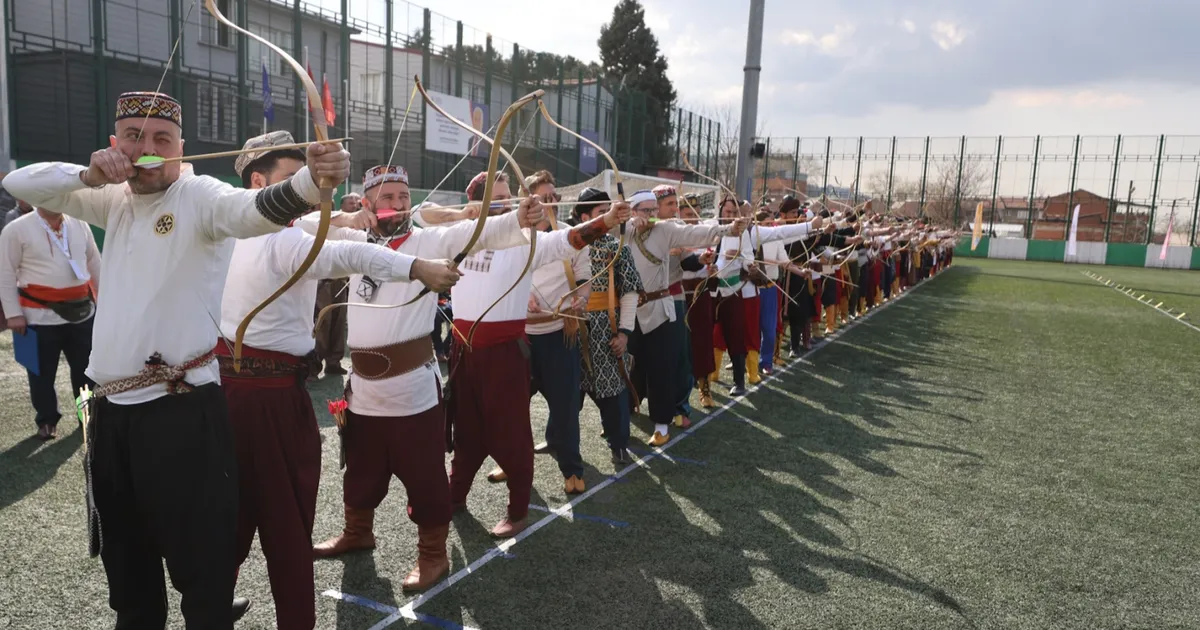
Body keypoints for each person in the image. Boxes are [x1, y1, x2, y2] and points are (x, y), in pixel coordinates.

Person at [1, 91, 350, 629]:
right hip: (112, 416)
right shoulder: (109, 198)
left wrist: (311, 183)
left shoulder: (199, 195)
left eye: (161, 139)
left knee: (203, 576)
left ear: (180, 148)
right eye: (133, 138)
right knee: (129, 572)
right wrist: (90, 174)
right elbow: (18, 183)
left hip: (182, 410)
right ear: (116, 145)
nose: (147, 149)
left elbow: (254, 209)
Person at [219, 132, 460, 627]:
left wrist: (354, 220)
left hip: (239, 394)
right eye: (295, 181)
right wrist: (415, 266)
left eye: (401, 196)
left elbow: (450, 225)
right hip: (275, 400)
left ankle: (212, 602)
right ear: (260, 183)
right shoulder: (285, 237)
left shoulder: (228, 227)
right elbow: (350, 255)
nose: (308, 191)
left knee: (231, 508)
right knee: (285, 522)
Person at [310, 165, 549, 590]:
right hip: (363, 388)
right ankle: (358, 531)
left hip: (411, 388)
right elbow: (305, 228)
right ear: (367, 204)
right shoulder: (352, 241)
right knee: (360, 469)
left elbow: (482, 232)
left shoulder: (427, 240)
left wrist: (519, 217)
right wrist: (345, 218)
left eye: (403, 196)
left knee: (425, 475)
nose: (399, 204)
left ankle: (433, 556)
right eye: (387, 198)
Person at [428, 170, 630, 538]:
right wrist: (467, 216)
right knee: (467, 429)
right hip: (463, 352)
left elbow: (568, 240)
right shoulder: (458, 236)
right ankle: (455, 495)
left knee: (512, 433)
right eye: (496, 197)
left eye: (508, 197)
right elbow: (421, 215)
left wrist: (606, 220)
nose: (507, 204)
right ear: (475, 202)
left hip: (505, 351)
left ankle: (518, 509)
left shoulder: (528, 241)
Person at [624, 190, 746, 445]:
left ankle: (661, 425)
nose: (651, 215)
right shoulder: (624, 230)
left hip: (660, 307)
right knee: (628, 365)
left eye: (653, 210)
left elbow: (695, 233)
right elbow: (598, 228)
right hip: (629, 307)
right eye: (645, 210)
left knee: (662, 368)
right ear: (633, 211)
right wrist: (622, 221)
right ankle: (622, 415)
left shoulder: (666, 229)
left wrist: (728, 229)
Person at [0, 200, 101, 439]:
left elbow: (94, 261)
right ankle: (46, 420)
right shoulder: (17, 228)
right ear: (37, 197)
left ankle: (86, 417)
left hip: (82, 314)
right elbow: (4, 271)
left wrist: (104, 300)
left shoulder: (79, 223)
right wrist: (13, 313)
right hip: (35, 316)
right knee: (40, 374)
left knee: (86, 373)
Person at [523, 171, 592, 493]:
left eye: (554, 197)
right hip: (520, 336)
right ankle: (512, 463)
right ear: (529, 201)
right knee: (513, 407)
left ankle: (572, 470)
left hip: (559, 332)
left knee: (565, 406)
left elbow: (584, 279)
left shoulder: (571, 235)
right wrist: (523, 296)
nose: (551, 203)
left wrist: (580, 300)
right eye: (544, 198)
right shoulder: (513, 236)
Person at [572, 187, 643, 465]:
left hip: (606, 332)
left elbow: (630, 292)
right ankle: (558, 439)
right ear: (584, 216)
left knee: (613, 391)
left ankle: (619, 443)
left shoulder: (617, 248)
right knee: (566, 394)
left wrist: (624, 333)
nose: (609, 218)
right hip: (570, 331)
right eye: (602, 214)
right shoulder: (566, 244)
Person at [309, 192, 363, 379]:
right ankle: (314, 364)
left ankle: (334, 362)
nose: (324, 210)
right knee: (322, 322)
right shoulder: (310, 225)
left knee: (339, 321)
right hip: (322, 281)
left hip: (341, 281)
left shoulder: (342, 225)